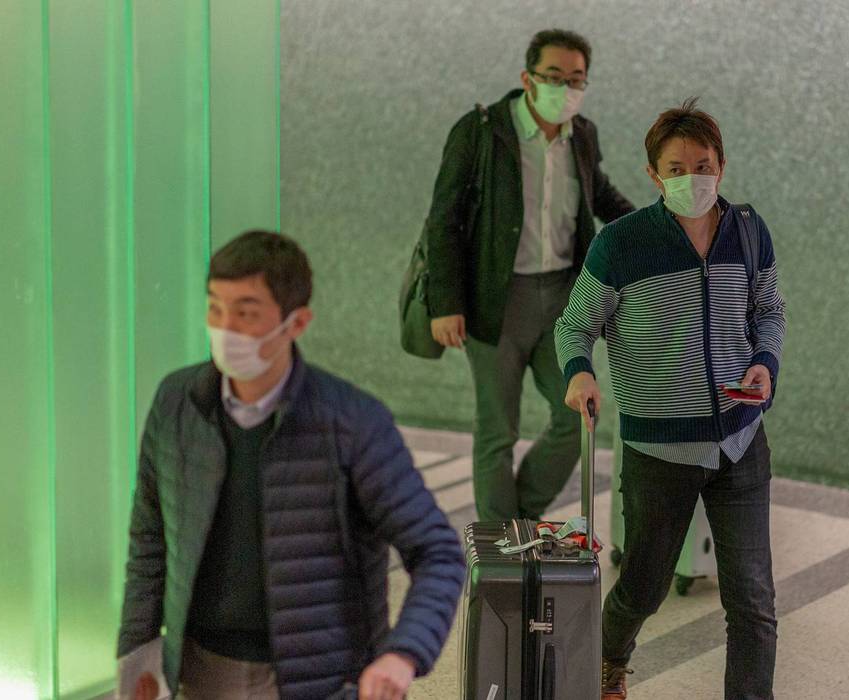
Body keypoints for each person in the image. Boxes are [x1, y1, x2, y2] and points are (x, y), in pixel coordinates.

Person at [116, 231, 465, 700]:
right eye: (215, 308)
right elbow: (150, 540)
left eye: (246, 312)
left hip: (316, 678)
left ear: (296, 323)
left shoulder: (353, 423)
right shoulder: (177, 404)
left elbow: (437, 551)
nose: (225, 328)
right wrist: (137, 653)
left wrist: (403, 653)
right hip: (200, 670)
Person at [556, 99, 787, 700]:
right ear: (654, 175)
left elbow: (769, 311)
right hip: (660, 450)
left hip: (741, 438)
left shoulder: (748, 231)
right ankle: (609, 659)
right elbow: (574, 326)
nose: (693, 180)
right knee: (644, 587)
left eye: (703, 166)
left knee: (754, 601)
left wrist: (765, 363)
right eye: (677, 169)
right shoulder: (622, 244)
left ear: (722, 166)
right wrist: (579, 373)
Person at [424, 28, 635, 522]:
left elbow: (600, 196)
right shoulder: (481, 131)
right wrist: (445, 303)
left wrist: (654, 231)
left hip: (563, 300)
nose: (566, 88)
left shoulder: (582, 135)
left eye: (576, 79)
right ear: (527, 78)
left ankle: (516, 520)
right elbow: (443, 220)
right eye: (554, 76)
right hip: (495, 299)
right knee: (498, 429)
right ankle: (502, 543)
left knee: (576, 414)